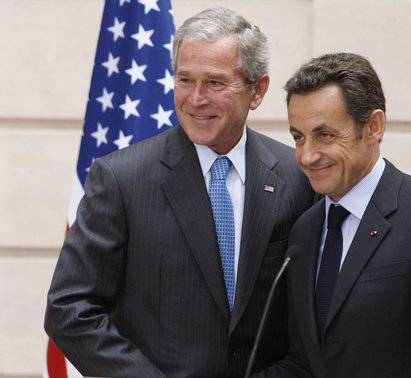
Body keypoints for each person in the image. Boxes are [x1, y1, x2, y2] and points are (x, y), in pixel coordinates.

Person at [44, 7, 315, 377]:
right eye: (185, 79)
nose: (196, 98)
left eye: (215, 83)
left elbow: (310, 316)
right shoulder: (121, 178)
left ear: (257, 91)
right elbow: (69, 310)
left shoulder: (297, 176)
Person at [258, 52, 411, 377]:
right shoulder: (304, 230)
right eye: (298, 138)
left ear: (373, 126)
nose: (306, 156)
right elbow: (306, 361)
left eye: (325, 135)